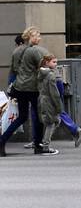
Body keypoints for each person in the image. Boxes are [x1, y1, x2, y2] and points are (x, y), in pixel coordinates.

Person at [0, 27, 47, 156]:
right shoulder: (34, 51)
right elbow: (42, 67)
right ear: (30, 37)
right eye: (37, 35)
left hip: (19, 87)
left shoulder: (17, 51)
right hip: (32, 87)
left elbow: (14, 69)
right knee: (38, 117)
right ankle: (38, 145)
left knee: (22, 117)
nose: (39, 38)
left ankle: (2, 140)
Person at [35, 53, 63, 157]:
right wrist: (59, 107)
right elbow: (54, 93)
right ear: (47, 62)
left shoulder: (40, 73)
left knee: (50, 122)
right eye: (54, 62)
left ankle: (45, 143)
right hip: (49, 101)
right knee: (52, 122)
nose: (55, 64)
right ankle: (46, 146)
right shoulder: (50, 75)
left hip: (42, 99)